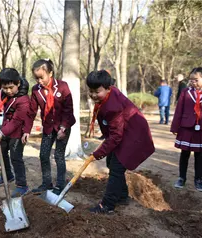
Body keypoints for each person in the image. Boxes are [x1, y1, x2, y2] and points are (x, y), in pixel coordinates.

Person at [86, 70, 155, 214]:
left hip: (133, 134)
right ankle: (122, 196)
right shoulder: (106, 96)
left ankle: (107, 205)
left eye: (96, 91)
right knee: (111, 162)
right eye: (90, 91)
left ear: (108, 88)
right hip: (125, 131)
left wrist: (98, 153)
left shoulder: (112, 106)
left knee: (117, 167)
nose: (93, 95)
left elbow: (116, 136)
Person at [25, 59, 76, 195]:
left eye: (41, 77)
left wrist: (63, 128)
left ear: (50, 73)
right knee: (43, 155)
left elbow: (68, 109)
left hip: (63, 126)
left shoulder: (62, 86)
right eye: (36, 78)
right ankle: (46, 183)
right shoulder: (36, 90)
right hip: (48, 127)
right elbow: (31, 112)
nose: (39, 81)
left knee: (59, 155)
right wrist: (26, 131)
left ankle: (60, 185)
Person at [0, 69, 31, 197]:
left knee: (16, 157)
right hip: (5, 127)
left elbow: (16, 121)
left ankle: (22, 185)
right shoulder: (5, 87)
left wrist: (2, 133)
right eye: (5, 88)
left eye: (11, 88)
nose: (8, 91)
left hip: (18, 132)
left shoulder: (23, 100)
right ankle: (7, 175)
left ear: (18, 84)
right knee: (0, 151)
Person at [171, 67, 202, 192]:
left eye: (196, 80)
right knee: (184, 154)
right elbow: (179, 110)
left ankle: (199, 179)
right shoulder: (185, 92)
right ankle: (181, 178)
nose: (193, 82)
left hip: (200, 129)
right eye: (191, 80)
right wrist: (175, 126)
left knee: (199, 155)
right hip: (186, 127)